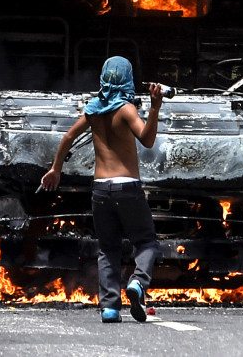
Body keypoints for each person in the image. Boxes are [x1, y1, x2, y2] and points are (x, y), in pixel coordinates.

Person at [40, 56, 162, 324]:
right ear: (128, 79)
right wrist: (155, 107)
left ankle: (109, 308)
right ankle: (138, 283)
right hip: (127, 186)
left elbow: (69, 137)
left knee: (108, 248)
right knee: (147, 242)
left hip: (100, 190)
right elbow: (148, 139)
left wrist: (56, 170)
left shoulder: (93, 110)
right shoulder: (127, 109)